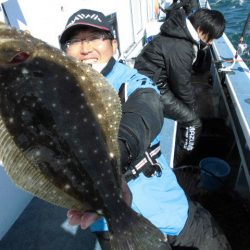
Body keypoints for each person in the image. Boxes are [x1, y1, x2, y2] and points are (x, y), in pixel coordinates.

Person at [59, 9, 231, 250]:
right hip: (113, 223)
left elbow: (145, 108)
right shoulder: (59, 99)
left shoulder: (133, 81)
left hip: (165, 204)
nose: (85, 47)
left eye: (95, 37)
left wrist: (116, 154)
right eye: (74, 41)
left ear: (114, 44)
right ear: (64, 52)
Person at [134, 6, 226, 167]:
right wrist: (192, 109)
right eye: (210, 37)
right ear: (200, 29)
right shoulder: (181, 47)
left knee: (188, 107)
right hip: (151, 89)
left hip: (153, 80)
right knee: (193, 122)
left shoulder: (178, 32)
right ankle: (178, 162)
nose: (210, 43)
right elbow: (182, 85)